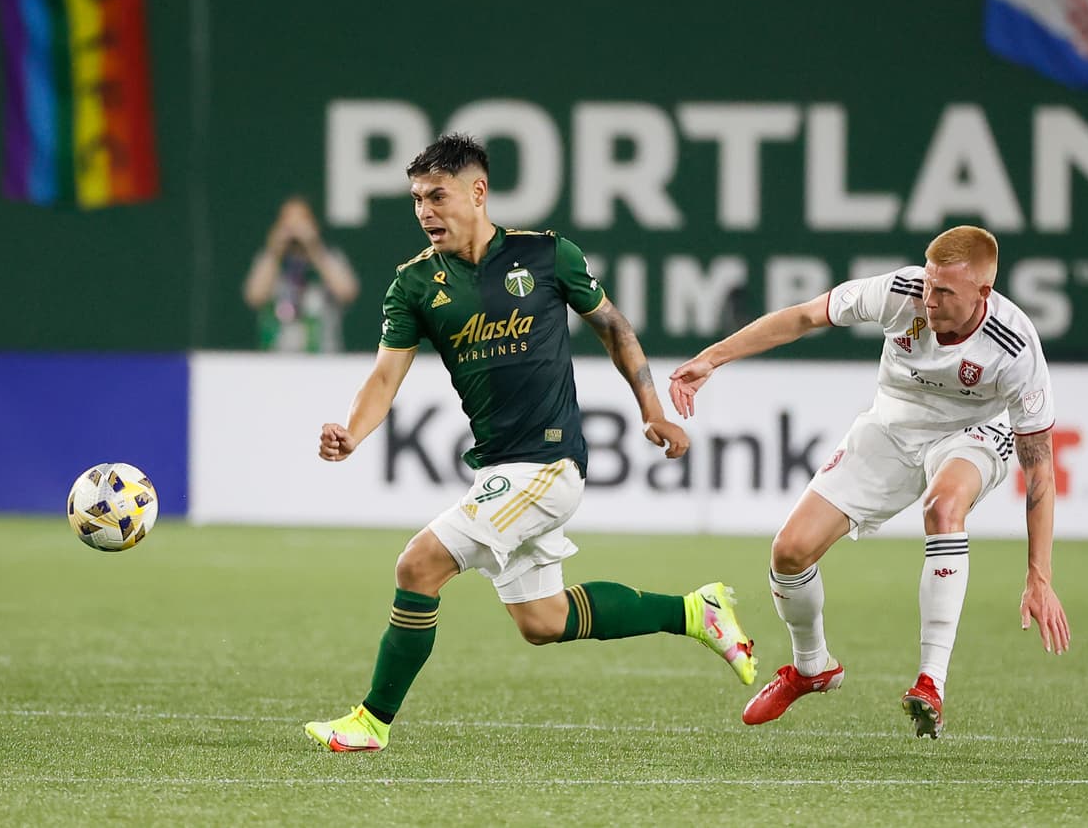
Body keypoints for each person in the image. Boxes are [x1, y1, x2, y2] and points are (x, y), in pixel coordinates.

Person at [303, 134, 757, 752]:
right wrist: (352, 433)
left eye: (437, 196)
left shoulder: (547, 255)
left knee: (417, 564)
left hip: (547, 463)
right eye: (416, 199)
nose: (425, 212)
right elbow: (387, 374)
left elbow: (614, 328)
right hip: (502, 466)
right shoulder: (413, 284)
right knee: (544, 622)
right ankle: (694, 613)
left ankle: (371, 721)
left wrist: (651, 408)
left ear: (478, 192)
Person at [668, 225, 1070, 739]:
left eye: (946, 291)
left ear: (982, 293)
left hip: (974, 432)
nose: (931, 297)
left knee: (943, 507)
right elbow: (803, 316)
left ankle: (931, 682)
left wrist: (1040, 576)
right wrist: (712, 358)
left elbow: (1039, 468)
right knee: (789, 552)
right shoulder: (900, 292)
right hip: (891, 426)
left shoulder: (1014, 347)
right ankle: (812, 668)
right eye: (929, 283)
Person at [242, 196, 360, 352]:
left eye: (301, 220)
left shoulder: (328, 258)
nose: (294, 228)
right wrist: (274, 251)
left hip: (324, 362)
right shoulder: (269, 261)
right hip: (276, 362)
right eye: (287, 220)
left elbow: (347, 292)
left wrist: (314, 247)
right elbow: (254, 296)